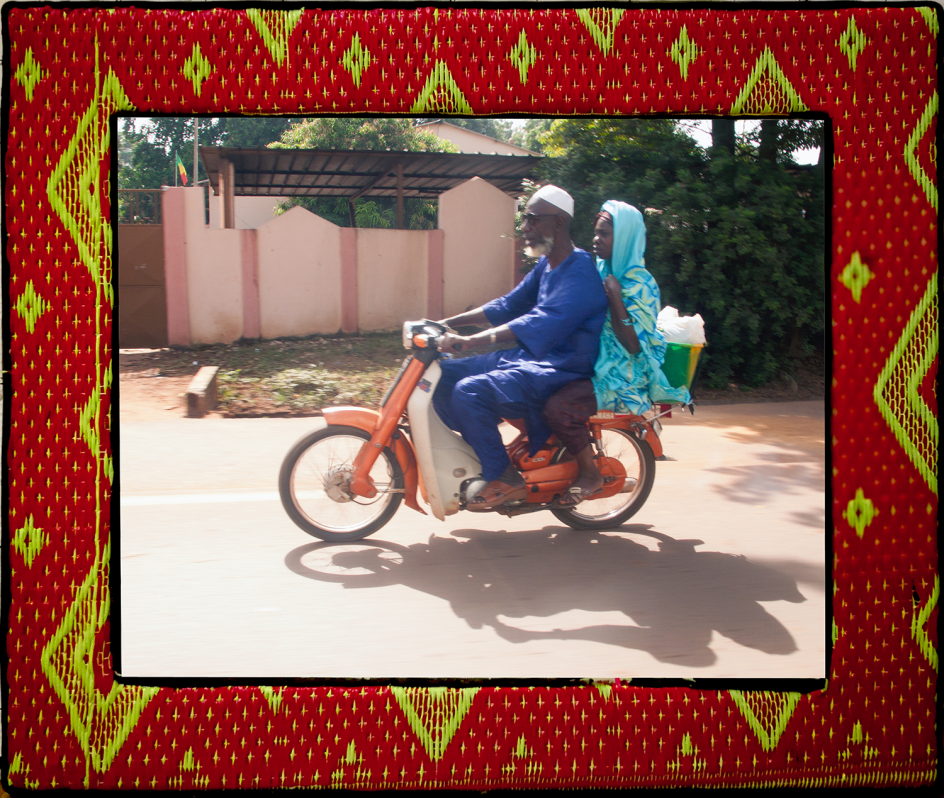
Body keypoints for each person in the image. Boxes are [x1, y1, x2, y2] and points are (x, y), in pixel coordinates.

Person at [433, 185, 608, 510]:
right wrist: (446, 323)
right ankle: (484, 455)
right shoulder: (547, 265)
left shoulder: (580, 273)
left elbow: (541, 322)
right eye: (524, 220)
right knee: (440, 374)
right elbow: (508, 305)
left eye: (532, 220)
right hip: (530, 360)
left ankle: (506, 478)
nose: (525, 228)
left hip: (558, 368)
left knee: (470, 391)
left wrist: (471, 341)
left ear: (558, 222)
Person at [544, 200, 691, 507]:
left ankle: (589, 473)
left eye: (605, 234)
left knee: (559, 406)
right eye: (596, 233)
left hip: (622, 378)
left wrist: (615, 297)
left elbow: (633, 344)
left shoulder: (641, 283)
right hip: (593, 364)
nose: (596, 239)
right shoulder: (600, 269)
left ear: (624, 238)